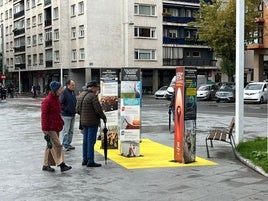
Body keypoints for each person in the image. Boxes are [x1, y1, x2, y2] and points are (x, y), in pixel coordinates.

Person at [41, 81, 72, 172]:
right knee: (57, 145)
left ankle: (46, 165)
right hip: (49, 128)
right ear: (55, 90)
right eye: (60, 88)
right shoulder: (47, 101)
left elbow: (57, 114)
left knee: (50, 146)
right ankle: (61, 164)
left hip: (56, 126)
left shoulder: (56, 99)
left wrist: (61, 122)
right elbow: (44, 116)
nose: (61, 90)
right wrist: (45, 129)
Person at [76, 81, 107, 167]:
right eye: (97, 87)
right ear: (92, 87)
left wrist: (84, 115)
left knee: (85, 141)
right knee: (91, 142)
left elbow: (77, 109)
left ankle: (84, 159)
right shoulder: (93, 96)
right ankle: (90, 161)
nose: (98, 89)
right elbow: (98, 110)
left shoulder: (81, 95)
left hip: (83, 122)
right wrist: (104, 117)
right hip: (92, 122)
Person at [60, 80, 77, 151]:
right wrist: (66, 109)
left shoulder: (73, 92)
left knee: (71, 130)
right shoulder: (64, 92)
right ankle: (65, 144)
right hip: (66, 115)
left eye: (74, 85)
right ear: (68, 85)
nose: (74, 86)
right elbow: (60, 103)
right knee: (66, 130)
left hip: (72, 114)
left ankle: (68, 143)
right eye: (72, 85)